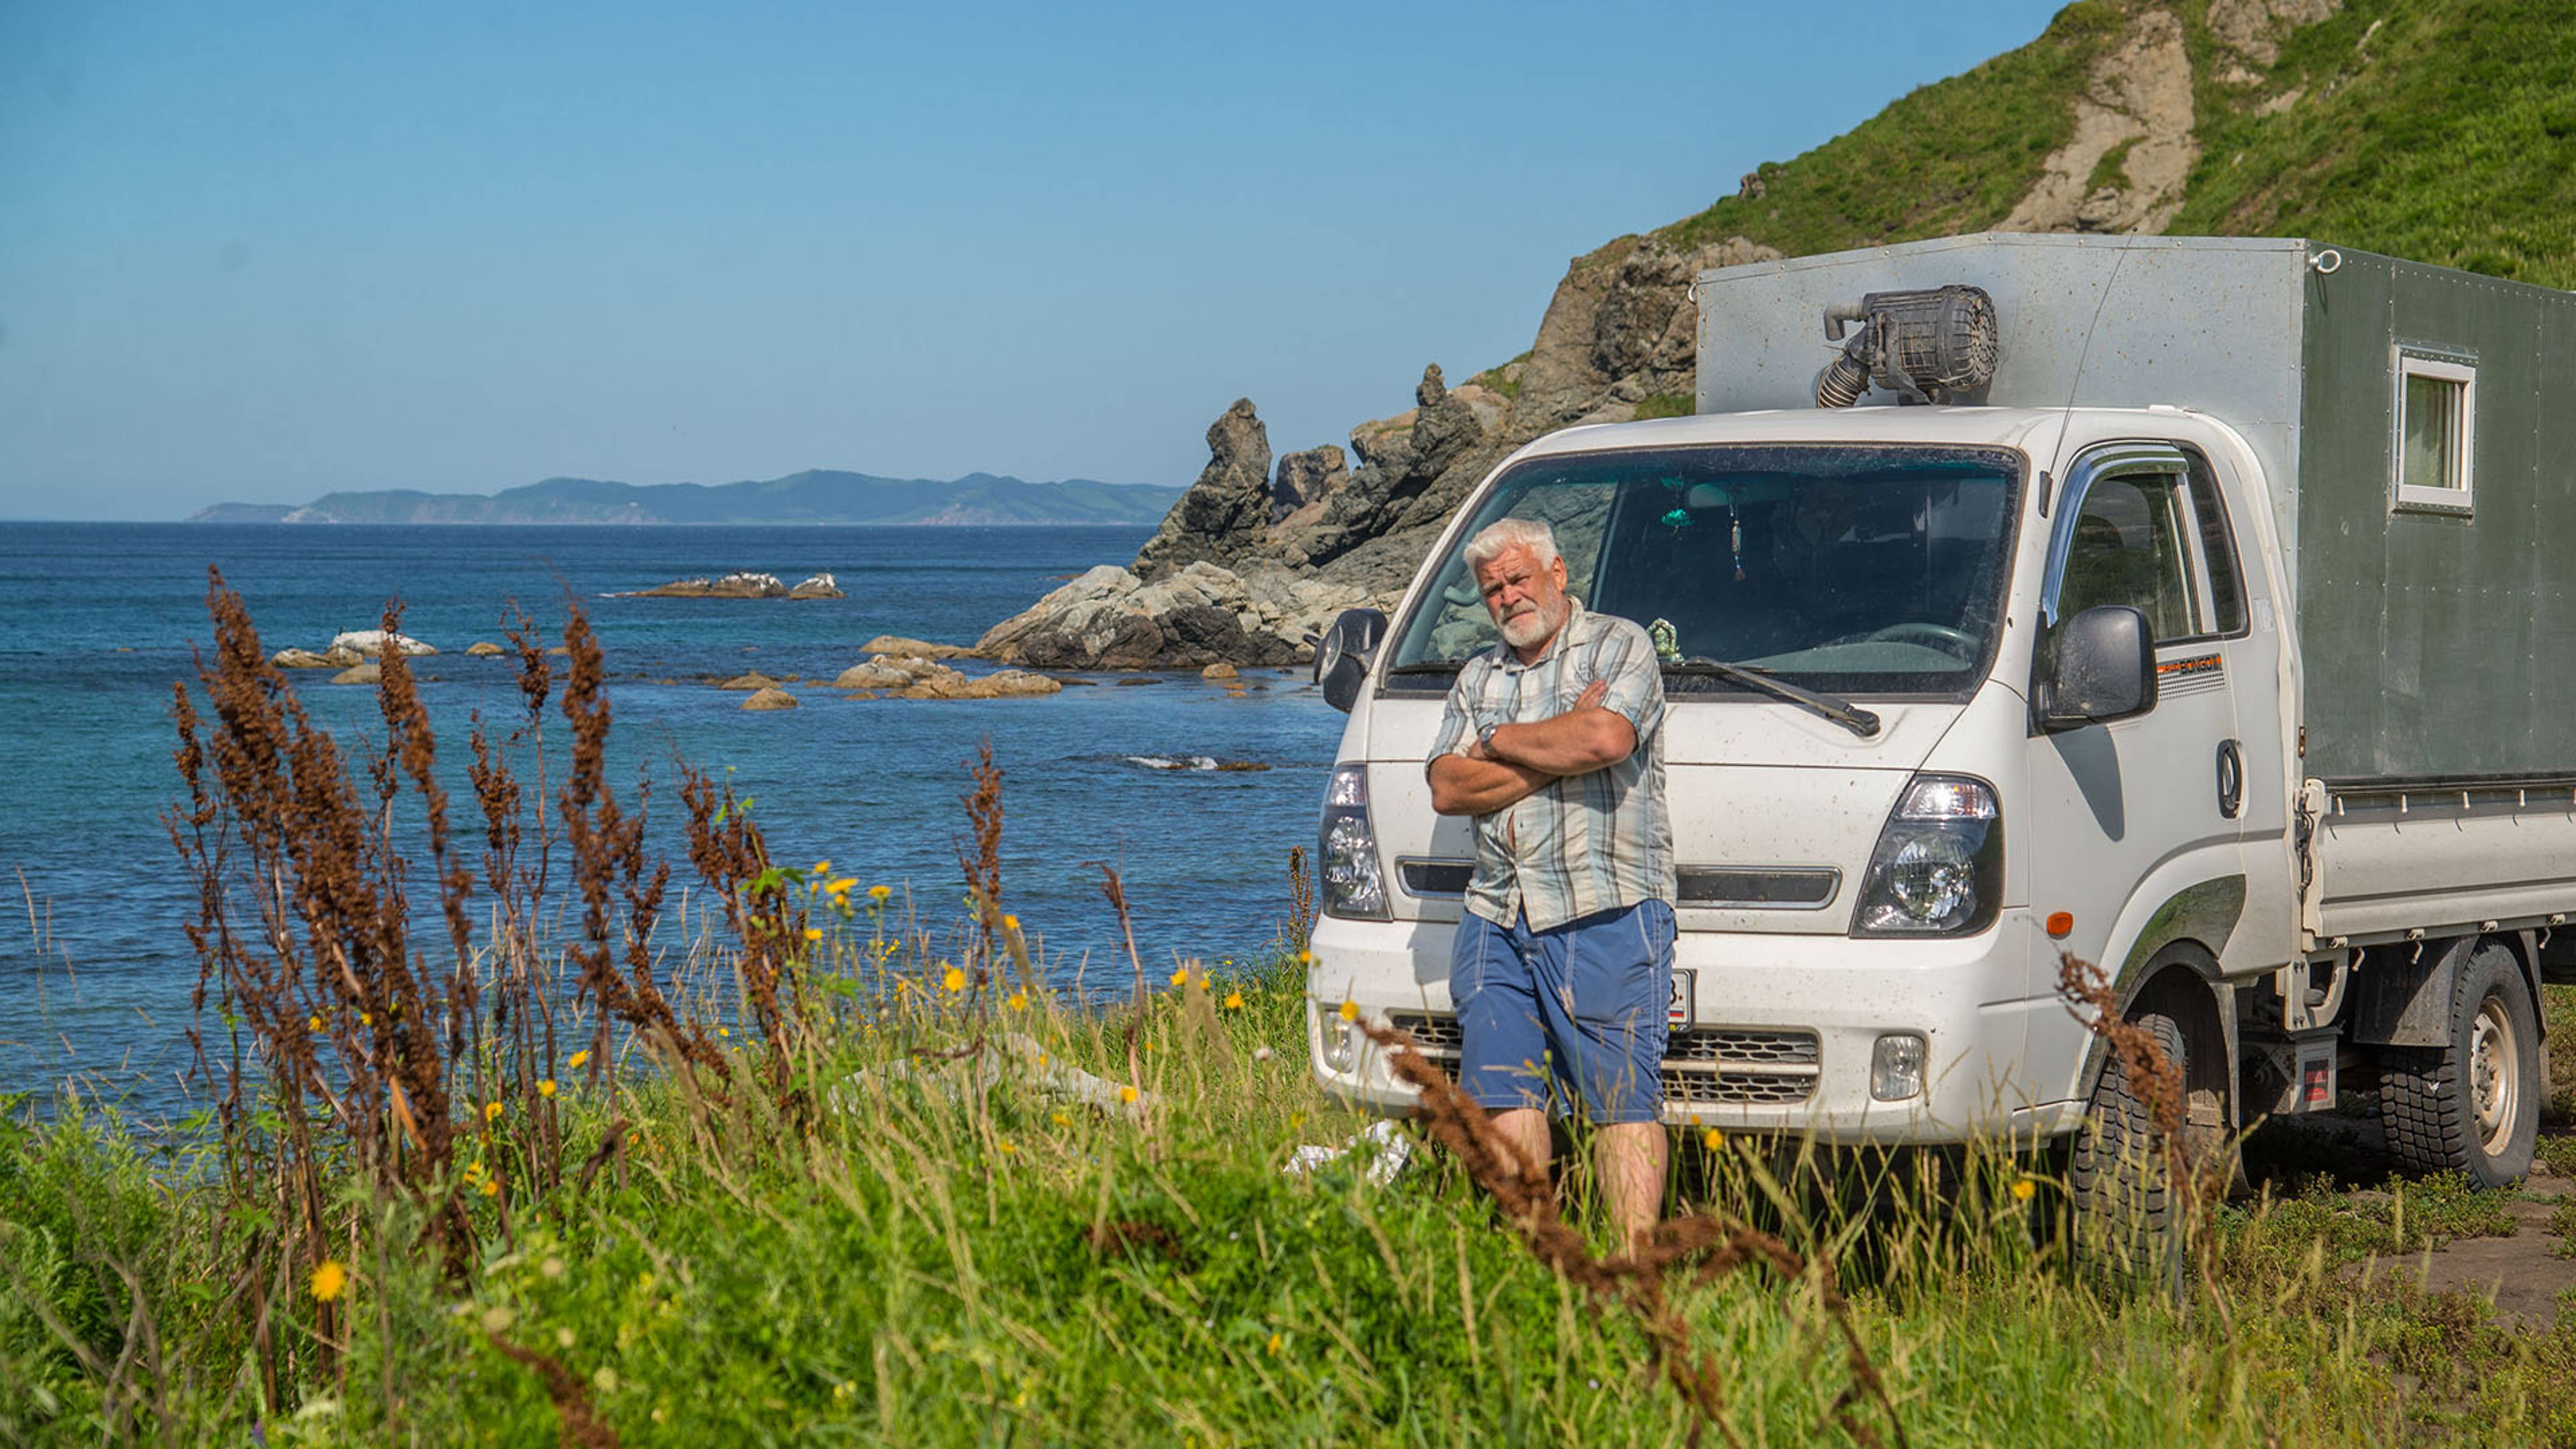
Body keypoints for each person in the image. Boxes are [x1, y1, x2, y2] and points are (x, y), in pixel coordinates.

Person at [1426, 515, 1676, 1248]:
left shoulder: (1620, 645)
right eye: (1492, 588)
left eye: (1518, 579)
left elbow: (1605, 739)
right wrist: (1555, 742)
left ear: (1558, 574)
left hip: (1604, 905)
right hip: (1495, 913)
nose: (1506, 598)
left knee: (1620, 1099)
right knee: (1503, 1091)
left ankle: (1632, 1272)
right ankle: (1535, 1263)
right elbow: (1446, 785)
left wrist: (1499, 741)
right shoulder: (1479, 676)